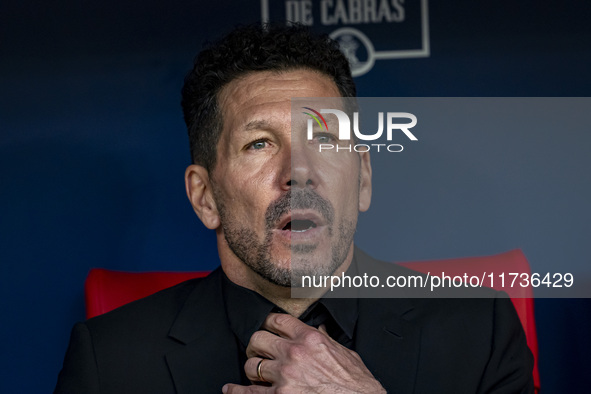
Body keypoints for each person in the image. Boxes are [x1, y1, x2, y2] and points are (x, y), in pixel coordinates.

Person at [54, 24, 534, 393]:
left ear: (363, 177)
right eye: (260, 143)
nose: (298, 171)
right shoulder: (111, 362)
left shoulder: (479, 332)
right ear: (205, 197)